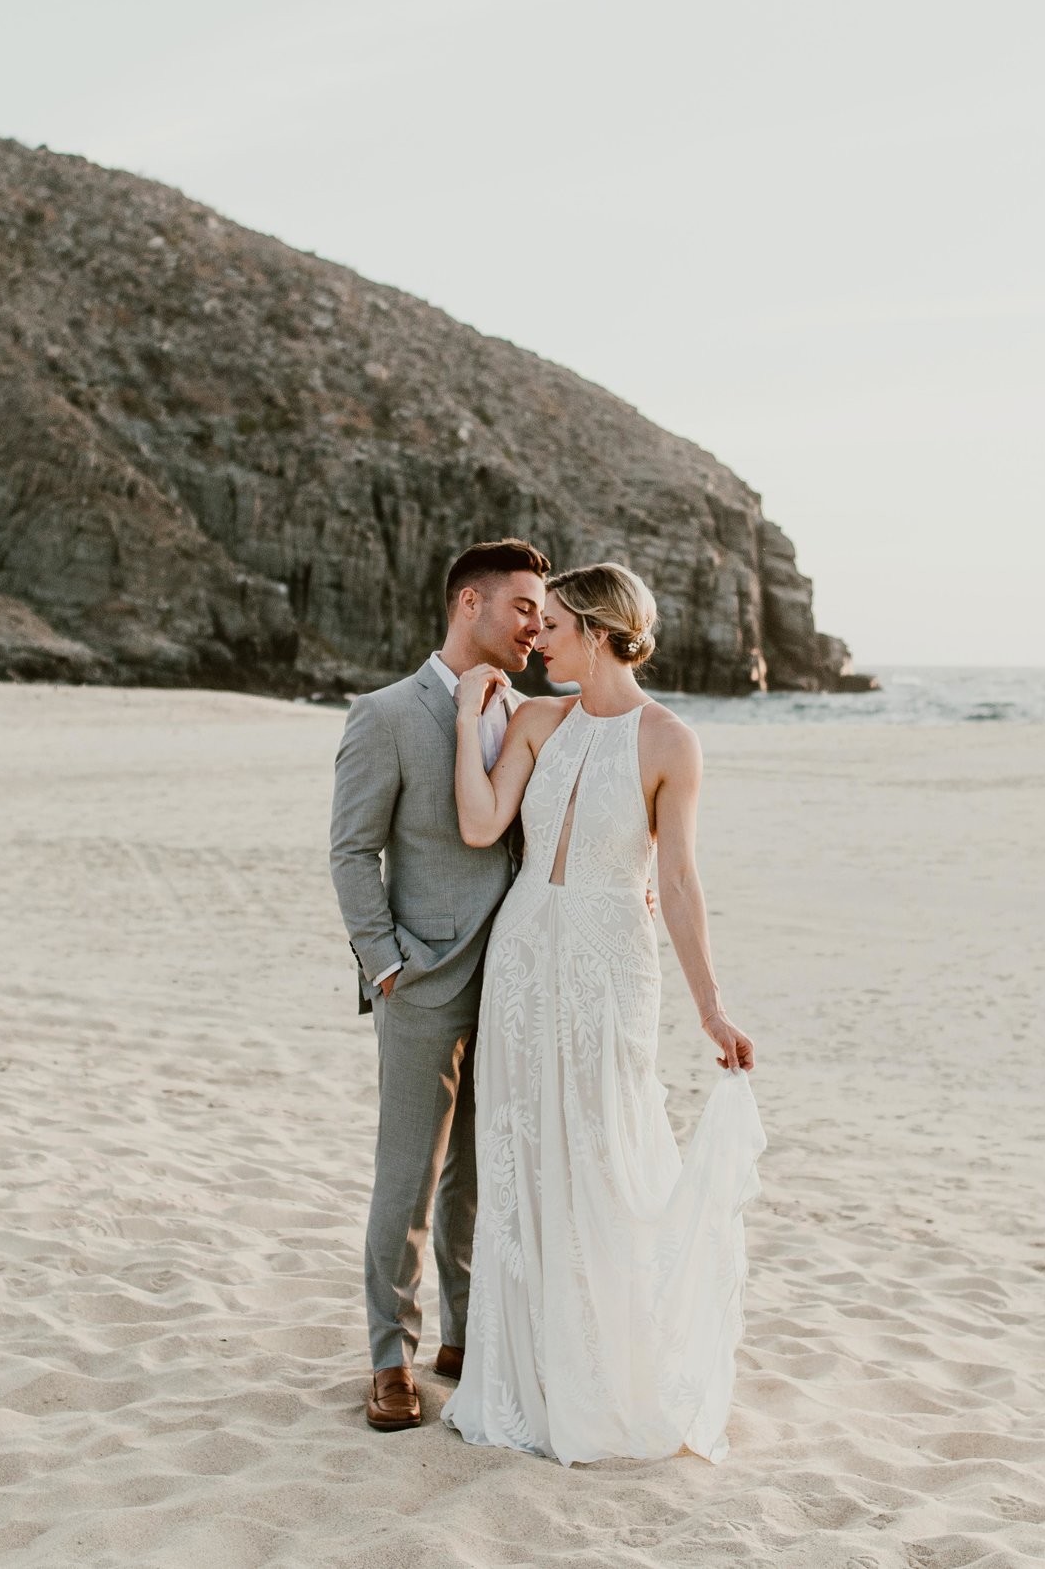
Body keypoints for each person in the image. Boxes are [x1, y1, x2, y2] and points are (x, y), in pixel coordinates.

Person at [440, 561, 764, 1465]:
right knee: (522, 1156)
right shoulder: (537, 720)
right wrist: (469, 721)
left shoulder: (671, 742)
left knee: (604, 1150)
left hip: (612, 962)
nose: (536, 637)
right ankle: (525, 1376)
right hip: (522, 954)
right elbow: (478, 824)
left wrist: (713, 1007)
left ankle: (607, 1370)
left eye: (553, 626)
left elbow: (681, 879)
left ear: (598, 630)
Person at [328, 538, 550, 1432]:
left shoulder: (533, 713)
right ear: (471, 604)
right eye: (525, 607)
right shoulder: (384, 714)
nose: (539, 624)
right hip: (420, 980)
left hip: (514, 980)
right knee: (407, 1178)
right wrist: (383, 961)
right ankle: (391, 1358)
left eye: (543, 612)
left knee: (475, 1177)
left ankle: (462, 1340)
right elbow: (351, 850)